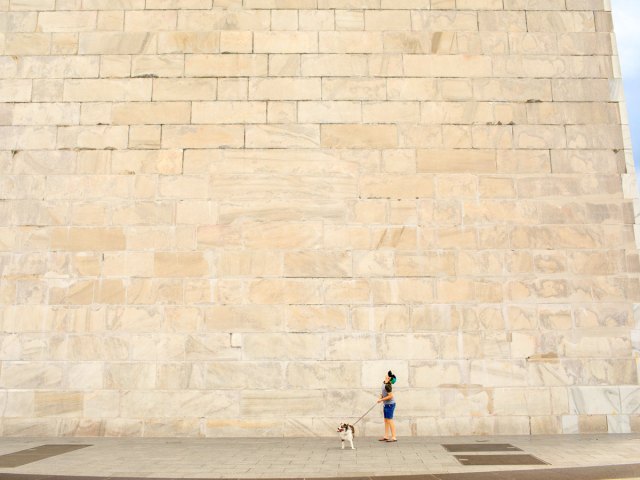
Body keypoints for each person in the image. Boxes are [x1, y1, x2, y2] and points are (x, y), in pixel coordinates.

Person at [377, 370, 397, 442]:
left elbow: (390, 396)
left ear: (389, 379)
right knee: (386, 420)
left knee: (390, 420)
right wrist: (380, 397)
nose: (387, 375)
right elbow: (382, 392)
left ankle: (394, 437)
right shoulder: (384, 382)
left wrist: (381, 399)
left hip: (390, 405)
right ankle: (386, 436)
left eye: (388, 376)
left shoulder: (388, 385)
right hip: (386, 404)